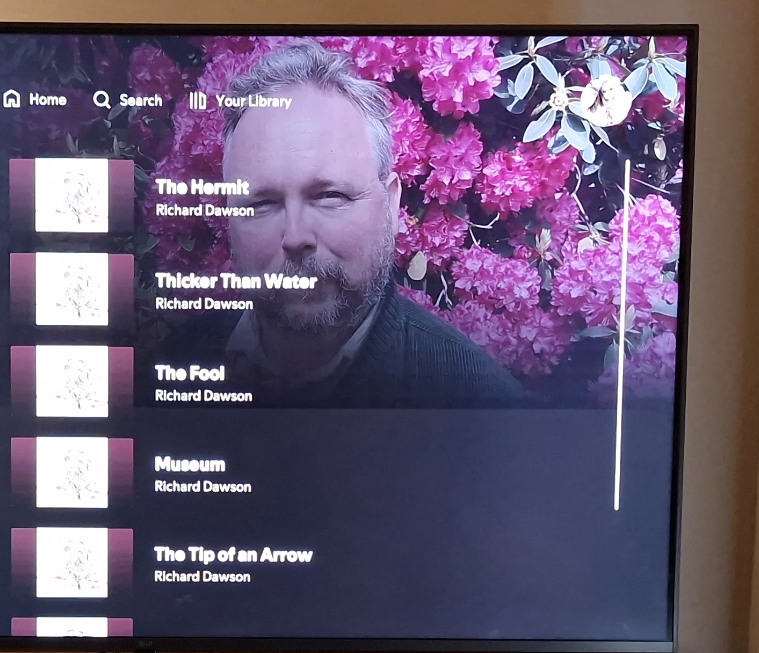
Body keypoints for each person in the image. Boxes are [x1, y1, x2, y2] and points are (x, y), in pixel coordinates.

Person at [153, 42, 529, 408]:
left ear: (392, 204)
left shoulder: (482, 403)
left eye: (330, 196)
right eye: (262, 203)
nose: (296, 236)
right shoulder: (167, 368)